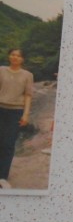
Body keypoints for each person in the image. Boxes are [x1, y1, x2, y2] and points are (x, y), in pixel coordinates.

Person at [0, 48, 33, 186]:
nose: (15, 57)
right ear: (9, 56)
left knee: (8, 144)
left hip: (15, 112)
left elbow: (28, 95)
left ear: (22, 59)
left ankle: (2, 177)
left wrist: (26, 114)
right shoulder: (1, 70)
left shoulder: (27, 75)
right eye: (13, 55)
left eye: (18, 56)